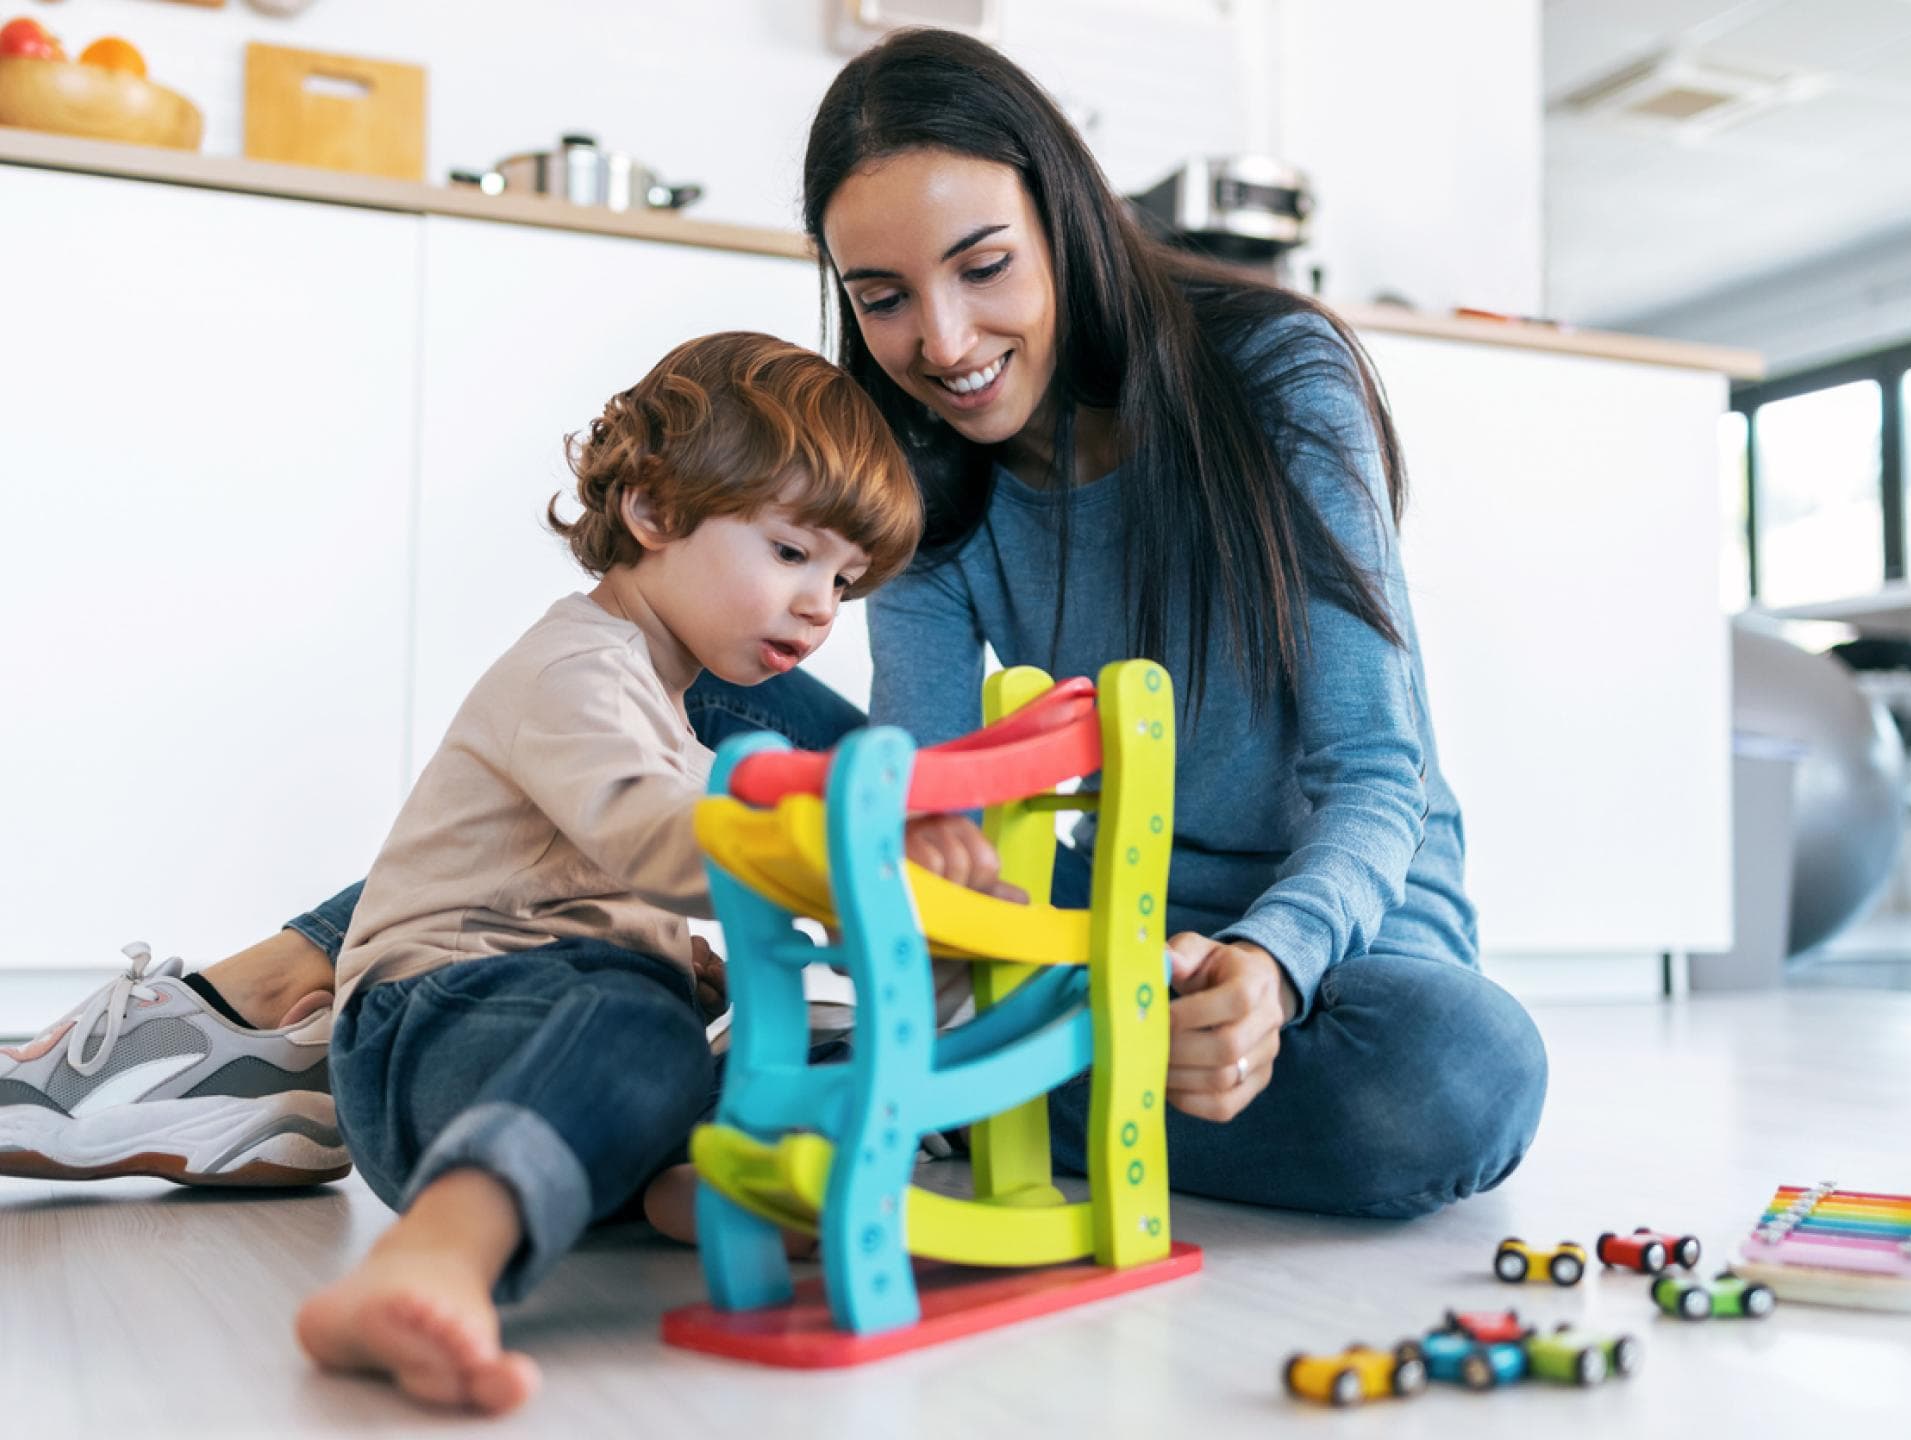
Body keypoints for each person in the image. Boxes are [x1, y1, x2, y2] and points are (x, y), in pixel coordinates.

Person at [7, 30, 1544, 1235]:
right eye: (880, 297)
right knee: (718, 688)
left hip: (1326, 961)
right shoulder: (915, 462)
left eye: (985, 267)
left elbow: (1376, 777)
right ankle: (269, 1010)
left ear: (1065, 218)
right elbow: (942, 800)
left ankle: (805, 1076)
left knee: (1464, 1082)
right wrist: (983, 940)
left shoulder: (1274, 375)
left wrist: (1268, 969)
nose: (941, 343)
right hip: (1064, 942)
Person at [281, 331, 1019, 1414]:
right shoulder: (575, 667)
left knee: (771, 1044)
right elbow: (652, 837)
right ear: (655, 511)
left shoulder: (675, 712)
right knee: (642, 1029)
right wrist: (849, 856)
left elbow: (660, 894)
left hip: (549, 1031)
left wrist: (941, 924)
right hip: (433, 1025)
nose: (822, 606)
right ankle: (433, 1256)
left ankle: (691, 1190)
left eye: (844, 579)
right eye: (790, 553)